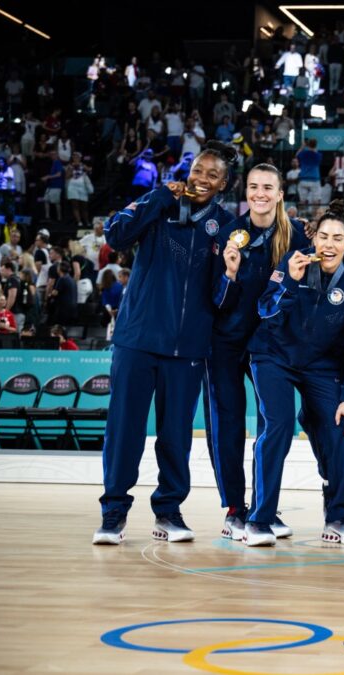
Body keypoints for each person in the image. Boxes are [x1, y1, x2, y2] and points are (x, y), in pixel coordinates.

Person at [93, 144, 240, 545]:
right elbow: (115, 234)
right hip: (137, 340)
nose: (202, 179)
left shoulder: (226, 226)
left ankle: (169, 512)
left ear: (223, 183)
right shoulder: (158, 207)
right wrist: (159, 194)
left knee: (175, 436)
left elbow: (220, 299)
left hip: (188, 349)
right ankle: (113, 514)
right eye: (197, 170)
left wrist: (229, 275)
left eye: (212, 174)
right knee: (124, 431)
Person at [245, 204, 344, 546]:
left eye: (337, 238)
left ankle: (340, 517)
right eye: (323, 237)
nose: (329, 245)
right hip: (273, 356)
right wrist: (290, 281)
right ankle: (259, 519)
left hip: (320, 366)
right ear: (314, 238)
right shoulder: (292, 263)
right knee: (278, 426)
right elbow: (265, 311)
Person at [203, 164, 309, 541]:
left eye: (268, 187)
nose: (259, 193)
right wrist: (229, 274)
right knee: (228, 425)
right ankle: (235, 508)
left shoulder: (298, 234)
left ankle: (265, 507)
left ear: (281, 193)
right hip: (227, 343)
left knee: (274, 426)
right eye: (253, 187)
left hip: (272, 345)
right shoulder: (231, 234)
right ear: (245, 192)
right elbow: (216, 302)